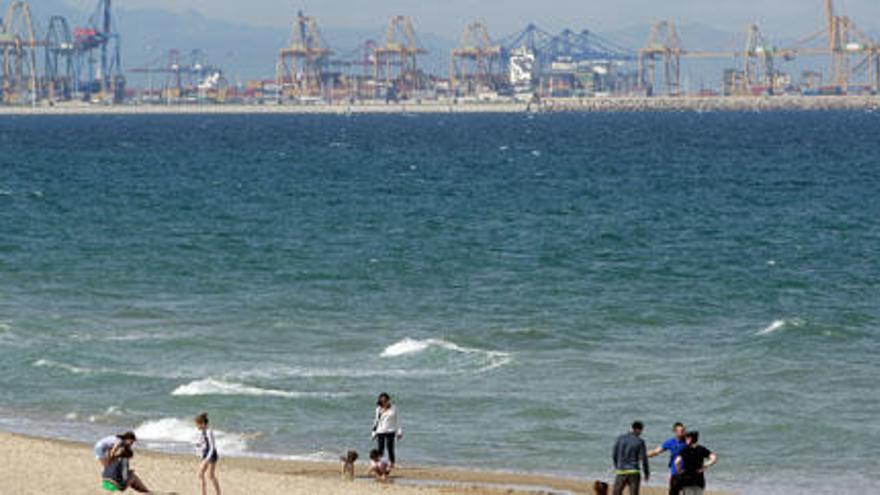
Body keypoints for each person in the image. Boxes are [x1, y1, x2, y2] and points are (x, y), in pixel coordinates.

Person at [611, 421, 650, 495]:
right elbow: (644, 459)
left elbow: (614, 454)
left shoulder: (620, 439)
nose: (640, 433)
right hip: (634, 471)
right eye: (641, 431)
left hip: (621, 471)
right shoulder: (640, 441)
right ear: (639, 430)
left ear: (632, 428)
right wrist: (646, 473)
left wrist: (617, 466)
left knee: (616, 493)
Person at [649, 422, 688, 495]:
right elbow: (656, 451)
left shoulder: (688, 442)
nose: (684, 432)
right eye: (681, 431)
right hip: (675, 472)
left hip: (687, 472)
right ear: (675, 431)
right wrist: (643, 456)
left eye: (684, 430)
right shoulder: (670, 442)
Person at [372, 392, 403, 468]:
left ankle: (392, 463)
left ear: (388, 400)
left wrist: (399, 431)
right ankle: (380, 463)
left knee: (390, 448)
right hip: (380, 431)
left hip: (391, 430)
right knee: (380, 449)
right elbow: (376, 421)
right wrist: (373, 432)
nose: (384, 402)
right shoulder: (378, 409)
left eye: (385, 400)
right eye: (382, 401)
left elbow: (397, 420)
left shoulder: (394, 408)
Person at [194, 412, 222, 495]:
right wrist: (199, 444)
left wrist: (207, 459)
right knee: (200, 474)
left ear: (202, 423)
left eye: (198, 425)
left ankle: (218, 493)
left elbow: (212, 447)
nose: (197, 427)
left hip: (212, 455)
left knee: (211, 476)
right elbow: (203, 441)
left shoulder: (209, 432)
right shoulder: (203, 431)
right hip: (206, 453)